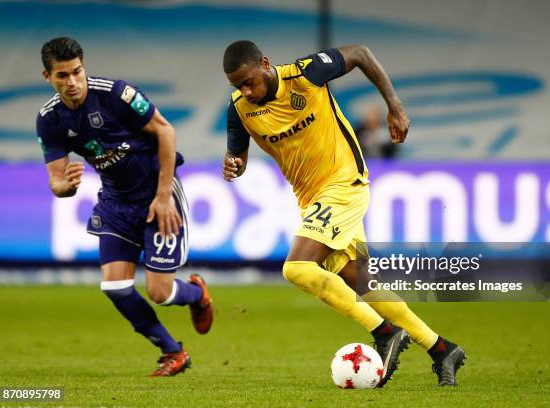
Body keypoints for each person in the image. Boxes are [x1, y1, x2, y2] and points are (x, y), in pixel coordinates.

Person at [222, 40, 465, 386]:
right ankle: (442, 349)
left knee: (296, 268)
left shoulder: (306, 74)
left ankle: (385, 333)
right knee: (359, 280)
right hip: (311, 199)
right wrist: (233, 166)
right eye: (238, 86)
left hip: (344, 182)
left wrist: (394, 106)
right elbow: (238, 157)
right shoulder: (239, 109)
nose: (246, 91)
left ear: (264, 63)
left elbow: (361, 53)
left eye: (249, 81)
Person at [36, 37, 213, 377]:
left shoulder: (116, 95)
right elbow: (57, 181)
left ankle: (196, 294)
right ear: (48, 77)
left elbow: (166, 131)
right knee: (115, 287)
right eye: (62, 76)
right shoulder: (49, 120)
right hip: (116, 202)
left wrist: (163, 197)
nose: (72, 83)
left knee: (160, 293)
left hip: (156, 196)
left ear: (83, 67)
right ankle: (173, 352)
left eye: (77, 72)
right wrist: (65, 186)